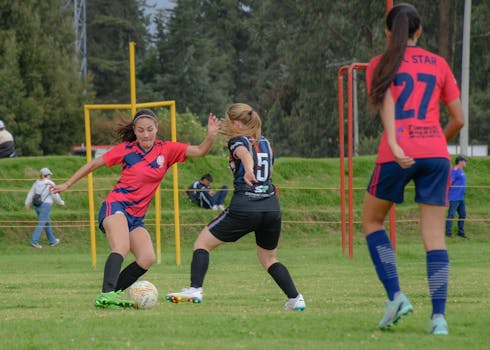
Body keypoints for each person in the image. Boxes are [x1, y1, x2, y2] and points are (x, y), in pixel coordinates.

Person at [362, 4, 464, 335]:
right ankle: (439, 318)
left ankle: (395, 296)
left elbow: (385, 107)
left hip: (396, 153)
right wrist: (434, 141)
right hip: (436, 154)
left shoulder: (380, 64)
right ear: (419, 31)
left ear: (389, 32)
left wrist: (405, 142)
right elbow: (459, 119)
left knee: (372, 221)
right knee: (434, 236)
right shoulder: (439, 64)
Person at [50, 109, 219, 309]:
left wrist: (210, 136)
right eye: (140, 130)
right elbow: (95, 163)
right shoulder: (127, 150)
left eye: (149, 129)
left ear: (156, 128)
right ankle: (106, 295)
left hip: (136, 218)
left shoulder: (167, 149)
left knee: (147, 258)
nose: (145, 134)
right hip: (116, 206)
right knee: (120, 247)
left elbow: (200, 151)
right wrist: (68, 184)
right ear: (135, 131)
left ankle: (115, 293)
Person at [166, 103, 305, 311]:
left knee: (202, 243)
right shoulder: (266, 142)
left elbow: (244, 154)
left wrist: (248, 169)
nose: (227, 126)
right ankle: (296, 299)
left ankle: (195, 289)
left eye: (229, 122)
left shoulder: (237, 141)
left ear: (238, 124)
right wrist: (213, 134)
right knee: (269, 258)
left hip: (246, 206)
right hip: (271, 207)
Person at [25, 168, 65, 248]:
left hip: (37, 206)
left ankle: (52, 241)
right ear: (48, 175)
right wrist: (61, 202)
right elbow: (55, 194)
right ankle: (34, 241)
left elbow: (31, 193)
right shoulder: (50, 183)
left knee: (47, 223)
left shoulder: (36, 183)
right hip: (46, 205)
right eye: (50, 175)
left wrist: (27, 203)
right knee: (41, 223)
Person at [445, 155, 468, 238]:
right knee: (451, 214)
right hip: (454, 197)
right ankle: (448, 232)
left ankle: (460, 232)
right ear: (460, 161)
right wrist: (447, 194)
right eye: (465, 161)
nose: (466, 163)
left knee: (463, 214)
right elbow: (450, 182)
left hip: (461, 197)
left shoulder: (461, 171)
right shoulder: (455, 170)